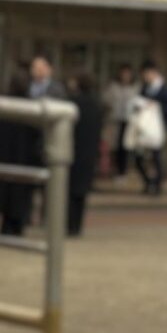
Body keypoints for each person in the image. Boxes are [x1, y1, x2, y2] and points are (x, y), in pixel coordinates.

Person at [0, 70, 43, 236]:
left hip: (5, 158)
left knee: (6, 195)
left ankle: (7, 226)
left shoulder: (3, 106)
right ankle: (17, 225)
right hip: (24, 160)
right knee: (20, 196)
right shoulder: (31, 107)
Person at [66, 72, 104, 237]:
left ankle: (69, 224)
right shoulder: (97, 105)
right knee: (81, 192)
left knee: (70, 191)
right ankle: (77, 226)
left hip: (73, 151)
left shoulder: (72, 103)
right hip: (89, 153)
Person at [132, 59, 167, 195]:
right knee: (138, 158)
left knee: (156, 157)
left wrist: (155, 106)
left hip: (158, 129)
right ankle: (149, 182)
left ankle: (157, 186)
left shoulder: (165, 89)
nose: (145, 77)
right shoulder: (145, 88)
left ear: (153, 72)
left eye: (146, 73)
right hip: (144, 128)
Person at [104, 64, 138, 178]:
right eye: (123, 73)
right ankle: (115, 170)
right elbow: (106, 100)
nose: (125, 76)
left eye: (128, 74)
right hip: (115, 120)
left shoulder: (135, 87)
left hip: (130, 121)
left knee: (127, 147)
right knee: (115, 147)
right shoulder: (113, 87)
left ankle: (124, 171)